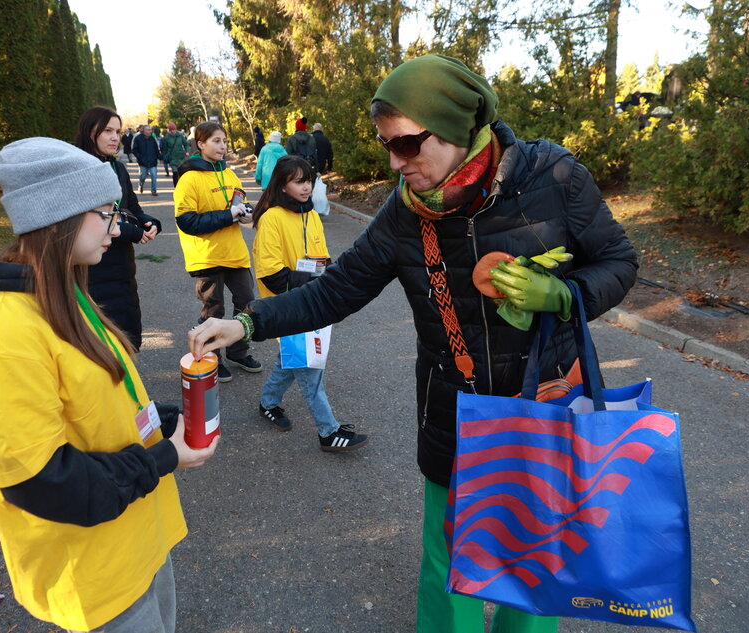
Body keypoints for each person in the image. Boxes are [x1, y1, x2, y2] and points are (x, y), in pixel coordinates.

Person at [187, 54, 638, 633]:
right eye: (387, 148)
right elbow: (335, 290)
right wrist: (247, 324)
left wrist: (564, 295)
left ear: (454, 129)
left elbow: (619, 262)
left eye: (407, 145)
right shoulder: (405, 214)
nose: (398, 164)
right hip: (455, 412)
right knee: (449, 564)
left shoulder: (554, 178)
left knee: (535, 562)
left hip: (546, 404)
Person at [0, 136, 218, 633]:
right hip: (96, 574)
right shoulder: (6, 335)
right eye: (106, 213)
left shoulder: (65, 291)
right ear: (58, 215)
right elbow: (43, 482)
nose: (117, 226)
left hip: (136, 541)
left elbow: (99, 400)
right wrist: (162, 458)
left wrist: (169, 422)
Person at [251, 155, 369, 451]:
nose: (306, 187)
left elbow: (323, 260)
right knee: (310, 368)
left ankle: (268, 402)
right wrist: (314, 284)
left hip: (317, 303)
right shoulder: (271, 218)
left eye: (309, 180)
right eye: (298, 181)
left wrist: (328, 280)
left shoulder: (312, 214)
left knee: (292, 359)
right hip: (288, 307)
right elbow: (273, 275)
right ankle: (328, 432)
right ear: (282, 185)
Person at [174, 121, 261, 383]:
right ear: (201, 144)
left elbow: (240, 201)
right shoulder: (189, 179)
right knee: (213, 309)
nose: (222, 146)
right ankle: (212, 357)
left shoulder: (230, 173)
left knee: (246, 302)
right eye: (216, 141)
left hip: (235, 253)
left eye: (224, 141)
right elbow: (187, 222)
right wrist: (228, 215)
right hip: (207, 256)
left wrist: (245, 213)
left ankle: (237, 351)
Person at [75, 106, 160, 351]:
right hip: (92, 268)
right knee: (101, 342)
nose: (115, 137)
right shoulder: (80, 170)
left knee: (128, 335)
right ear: (89, 132)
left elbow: (130, 206)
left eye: (118, 131)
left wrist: (148, 222)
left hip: (123, 266)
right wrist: (133, 232)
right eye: (108, 131)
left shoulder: (117, 167)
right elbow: (90, 220)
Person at [132, 124, 160, 196]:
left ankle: (153, 191)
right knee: (143, 176)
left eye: (150, 130)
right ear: (143, 131)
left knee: (154, 175)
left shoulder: (152, 139)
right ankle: (141, 185)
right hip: (143, 161)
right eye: (148, 130)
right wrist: (139, 157)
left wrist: (160, 157)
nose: (150, 131)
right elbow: (134, 150)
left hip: (152, 161)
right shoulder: (138, 138)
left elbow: (156, 149)